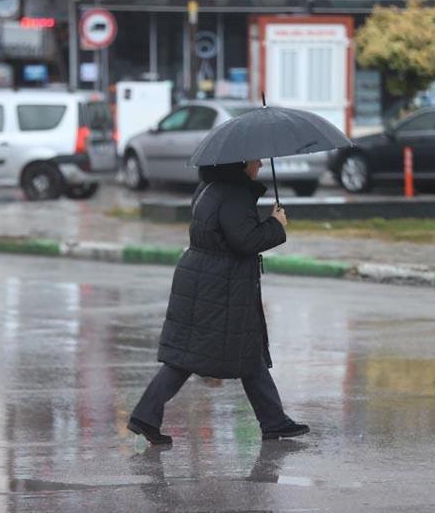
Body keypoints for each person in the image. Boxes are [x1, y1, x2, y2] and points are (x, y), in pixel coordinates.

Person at [128, 159, 309, 445]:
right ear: (240, 164)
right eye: (254, 159)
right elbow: (245, 240)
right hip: (220, 284)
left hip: (205, 277)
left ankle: (274, 421)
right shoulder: (234, 194)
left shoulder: (209, 187)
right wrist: (276, 224)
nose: (260, 163)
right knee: (187, 357)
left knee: (243, 351)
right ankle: (145, 415)